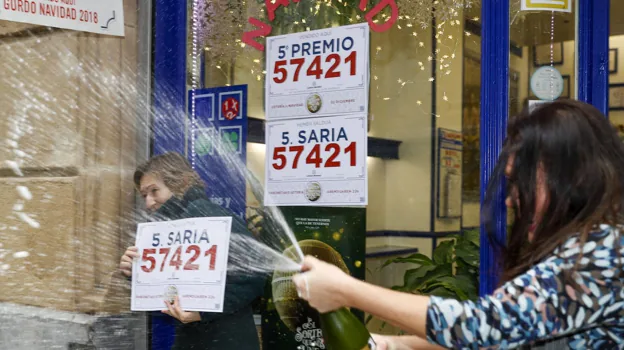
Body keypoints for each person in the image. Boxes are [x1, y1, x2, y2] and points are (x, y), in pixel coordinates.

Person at [293, 100, 624, 349]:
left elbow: (482, 326)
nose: (510, 200)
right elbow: (507, 336)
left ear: (570, 178)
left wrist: (345, 290)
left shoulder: (604, 254)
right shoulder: (586, 245)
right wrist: (396, 344)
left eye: (519, 182)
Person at [119, 152, 265, 350]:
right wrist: (134, 270)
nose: (148, 202)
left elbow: (256, 273)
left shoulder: (208, 215)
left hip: (226, 339)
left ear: (182, 182)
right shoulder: (169, 228)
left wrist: (203, 312)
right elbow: (169, 283)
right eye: (144, 195)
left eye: (154, 191)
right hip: (198, 338)